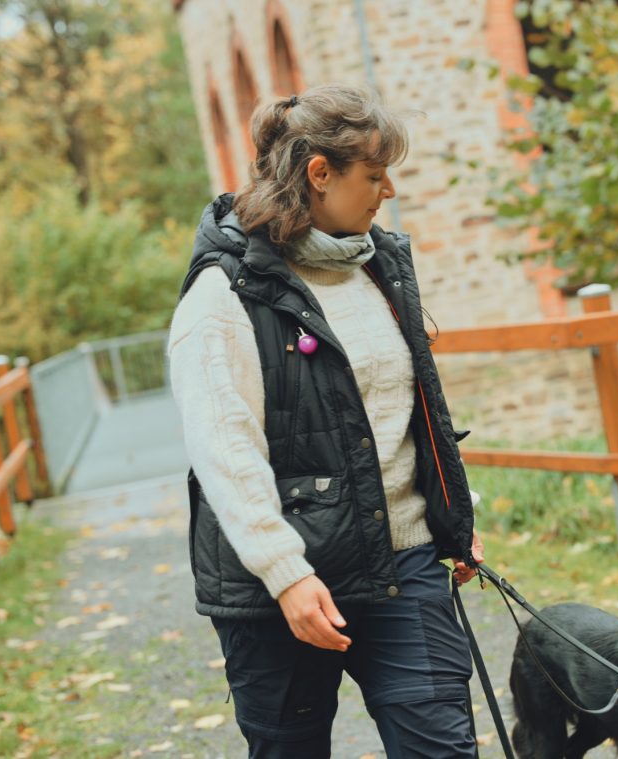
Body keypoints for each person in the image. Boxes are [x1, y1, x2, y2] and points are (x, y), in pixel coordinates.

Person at [168, 83, 485, 758]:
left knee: (443, 747)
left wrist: (451, 509)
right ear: (319, 174)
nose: (387, 190)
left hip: (402, 562)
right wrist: (286, 573)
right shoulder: (223, 294)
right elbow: (225, 452)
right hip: (277, 590)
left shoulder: (379, 268)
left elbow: (402, 409)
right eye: (373, 175)